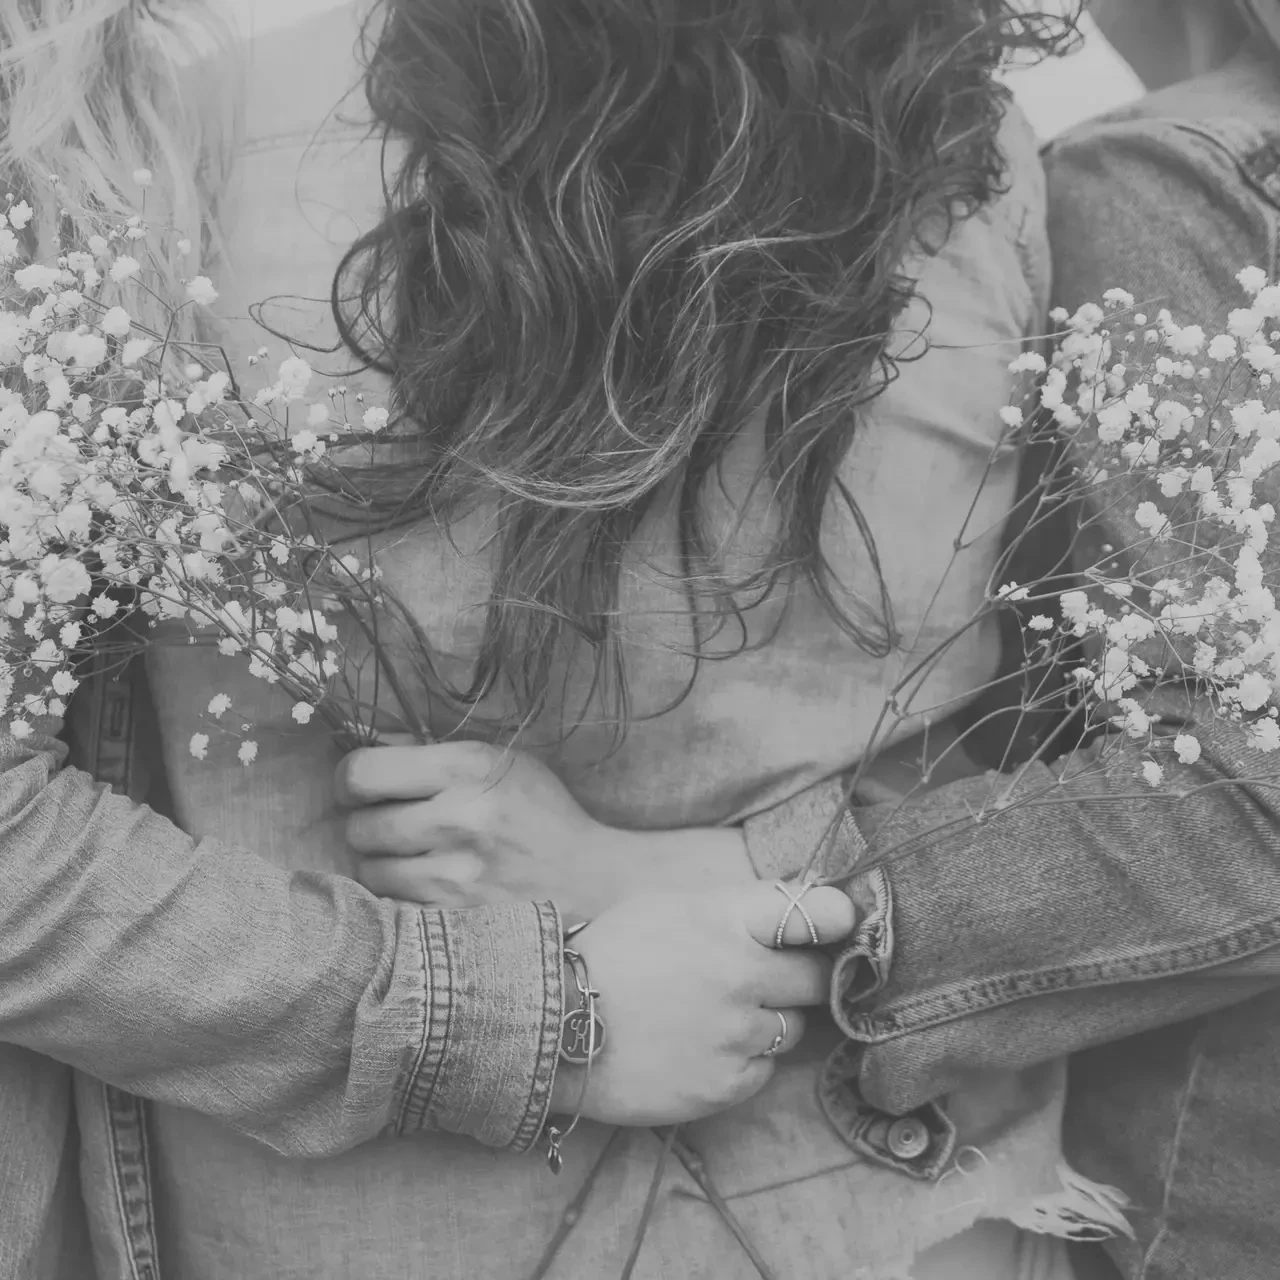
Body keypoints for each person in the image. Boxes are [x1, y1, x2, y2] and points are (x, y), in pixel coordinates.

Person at [0, 0, 1097, 1276]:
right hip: (898, 1199)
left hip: (402, 1217)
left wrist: (566, 968)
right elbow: (1072, 736)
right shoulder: (978, 150)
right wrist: (564, 1000)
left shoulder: (149, 126)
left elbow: (1137, 759)